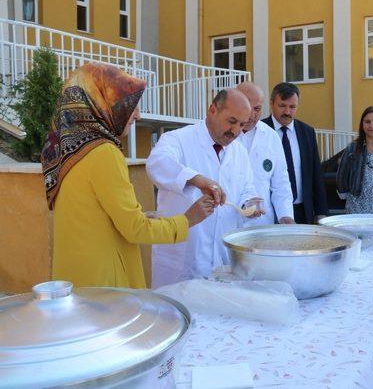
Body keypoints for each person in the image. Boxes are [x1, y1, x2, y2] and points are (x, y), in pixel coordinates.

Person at [42, 63, 214, 289]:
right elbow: (135, 229)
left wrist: (144, 216)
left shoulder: (69, 151)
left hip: (77, 275)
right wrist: (189, 219)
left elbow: (90, 213)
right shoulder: (103, 153)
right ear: (102, 104)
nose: (137, 115)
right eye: (130, 105)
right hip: (104, 286)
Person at [146, 89, 263, 288]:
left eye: (242, 125)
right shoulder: (178, 139)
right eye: (231, 121)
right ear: (212, 110)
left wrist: (249, 202)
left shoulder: (239, 151)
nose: (235, 131)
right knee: (178, 314)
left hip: (222, 258)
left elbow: (246, 187)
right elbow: (157, 163)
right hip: (182, 258)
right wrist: (196, 179)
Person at [262, 82, 328, 224]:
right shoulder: (260, 132)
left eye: (292, 107)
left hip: (303, 211)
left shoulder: (307, 132)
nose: (287, 112)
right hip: (270, 213)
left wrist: (321, 212)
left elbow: (316, 173)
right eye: (282, 106)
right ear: (272, 103)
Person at [237, 82, 295, 225]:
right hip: (228, 221)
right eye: (247, 108)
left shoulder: (271, 136)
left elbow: (280, 182)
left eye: (257, 109)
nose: (252, 114)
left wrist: (285, 215)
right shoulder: (223, 136)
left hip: (261, 224)